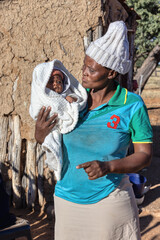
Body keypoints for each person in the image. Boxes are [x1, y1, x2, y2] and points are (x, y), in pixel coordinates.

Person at [35, 21, 152, 240]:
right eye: (84, 66)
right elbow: (49, 140)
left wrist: (109, 166)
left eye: (92, 69)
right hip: (66, 201)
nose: (84, 73)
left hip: (109, 202)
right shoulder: (71, 102)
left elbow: (144, 156)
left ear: (110, 73)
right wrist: (40, 134)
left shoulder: (131, 105)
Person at [29, 59, 87, 180]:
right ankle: (56, 165)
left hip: (64, 126)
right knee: (53, 146)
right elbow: (38, 111)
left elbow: (78, 100)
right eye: (51, 81)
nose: (56, 84)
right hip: (52, 128)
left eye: (59, 81)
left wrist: (72, 99)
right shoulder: (42, 97)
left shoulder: (67, 94)